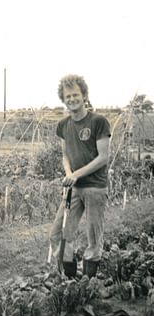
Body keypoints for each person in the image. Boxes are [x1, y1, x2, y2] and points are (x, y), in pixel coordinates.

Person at [49, 74, 111, 278]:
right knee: (59, 233)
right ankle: (69, 278)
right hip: (74, 188)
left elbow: (103, 157)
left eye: (76, 94)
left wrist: (76, 174)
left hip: (95, 187)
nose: (72, 99)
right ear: (63, 98)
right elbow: (65, 155)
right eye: (68, 96)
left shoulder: (98, 122)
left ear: (84, 95)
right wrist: (68, 173)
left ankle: (88, 283)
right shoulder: (63, 125)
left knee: (93, 235)